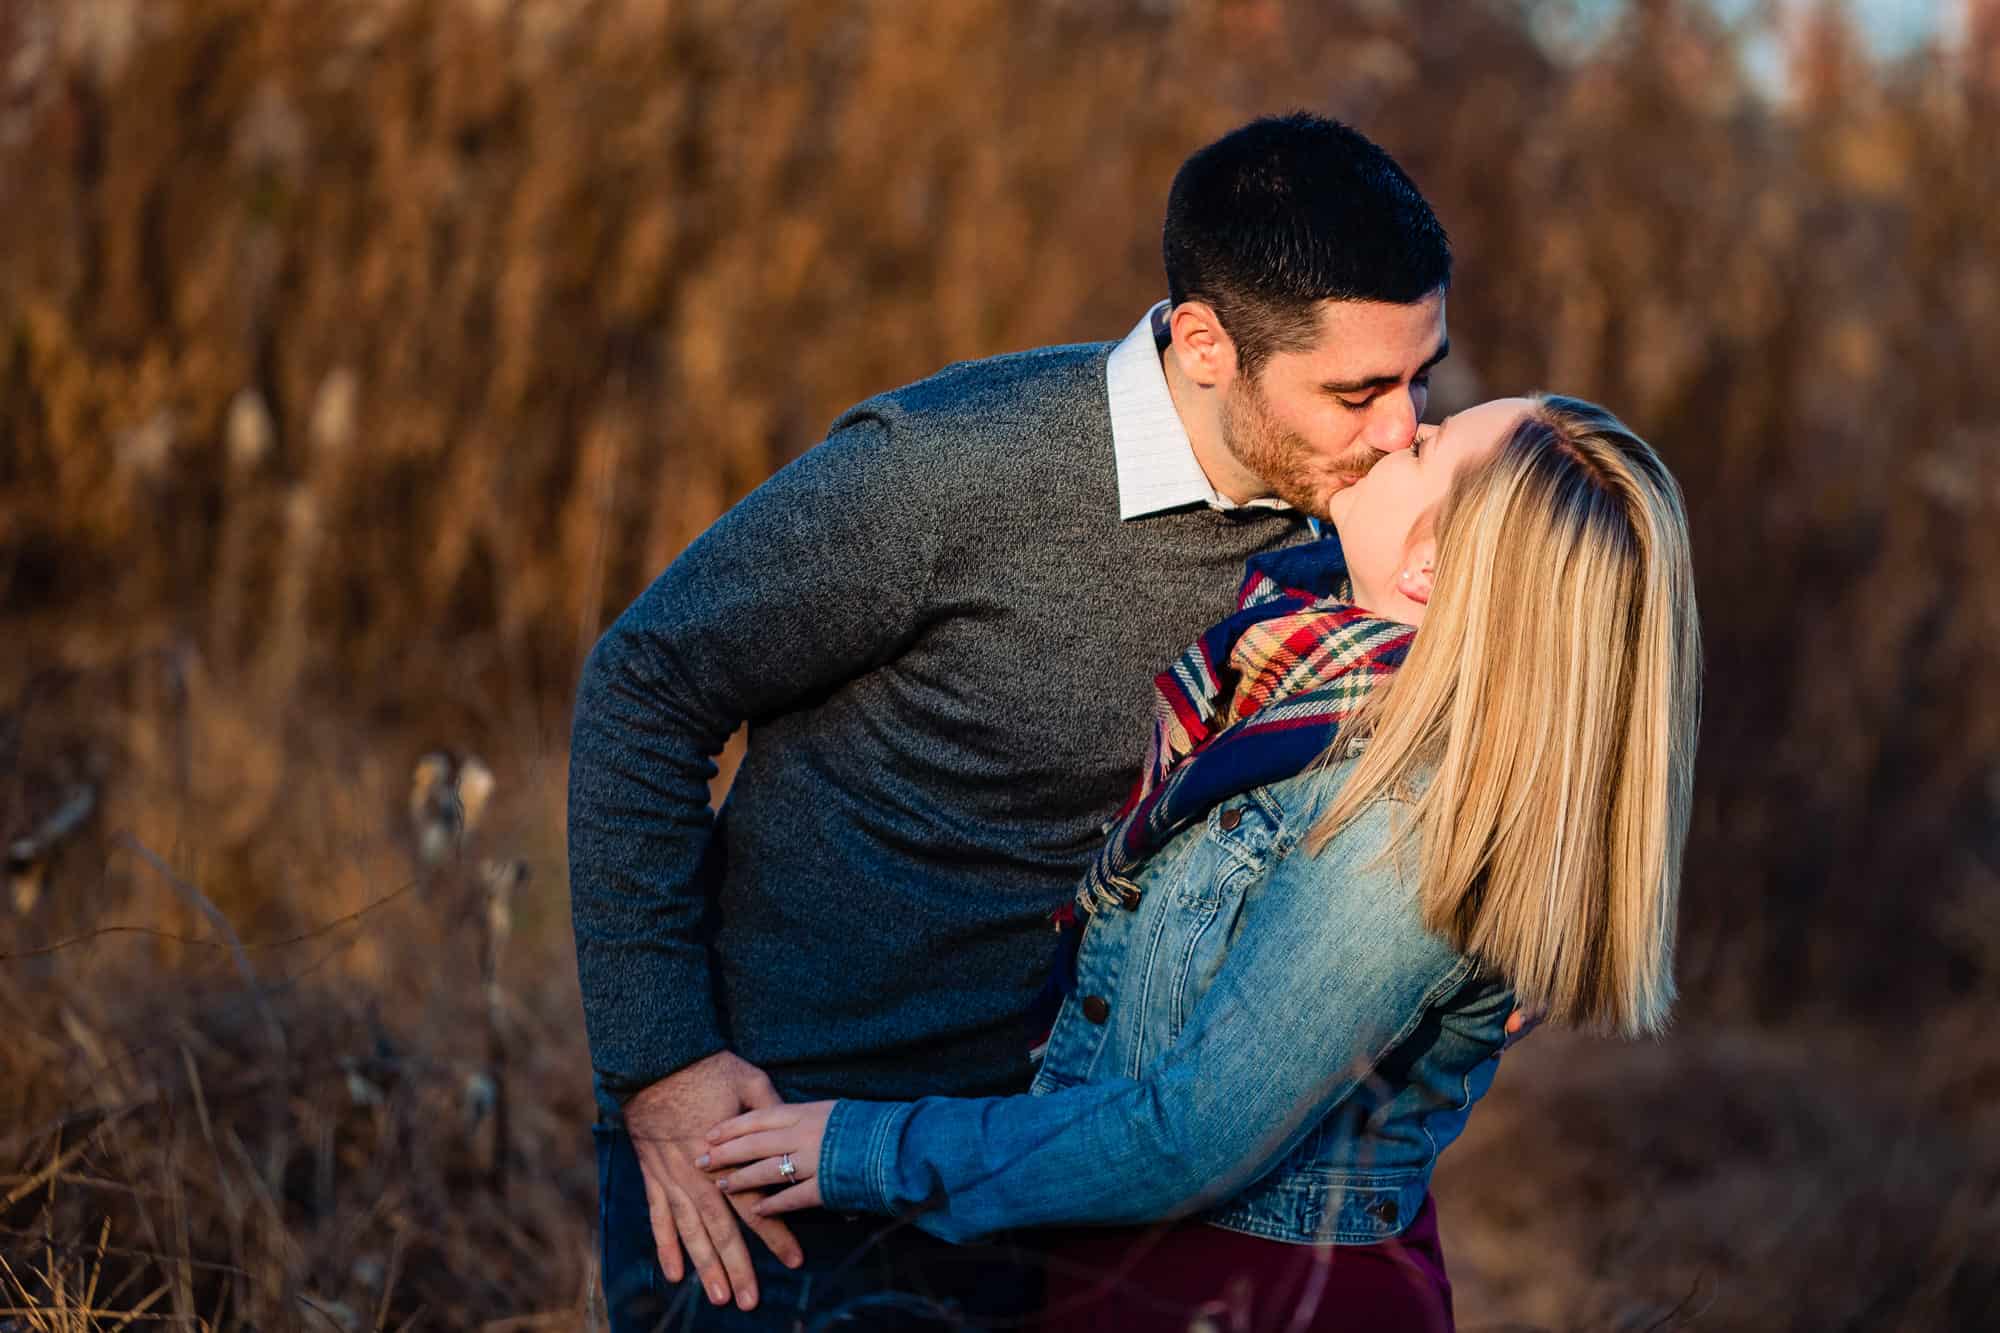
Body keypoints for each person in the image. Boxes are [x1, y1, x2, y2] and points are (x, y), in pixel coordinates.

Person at [569, 113, 1459, 1328]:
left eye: (1422, 377)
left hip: (1036, 1178)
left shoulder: (1348, 535)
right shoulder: (944, 471)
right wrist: (659, 1063)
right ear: (1205, 344)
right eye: (1356, 390)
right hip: (771, 1159)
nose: (1403, 427)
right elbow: (645, 684)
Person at [697, 394, 1701, 1332]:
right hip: (1144, 1270)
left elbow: (1185, 1136)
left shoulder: (1403, 824)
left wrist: (858, 1149)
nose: (1396, 430)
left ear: (1431, 571)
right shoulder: (1302, 681)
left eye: (1427, 442)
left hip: (1244, 1294)